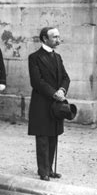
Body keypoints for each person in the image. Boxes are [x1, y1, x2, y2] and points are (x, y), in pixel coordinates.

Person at [28, 27, 70, 181]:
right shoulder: (35, 57)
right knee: (43, 138)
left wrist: (62, 90)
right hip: (42, 103)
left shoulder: (57, 57)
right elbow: (37, 81)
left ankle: (50, 168)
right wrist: (54, 93)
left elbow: (66, 77)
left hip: (56, 104)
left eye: (59, 36)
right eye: (55, 37)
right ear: (45, 39)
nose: (58, 40)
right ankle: (43, 171)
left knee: (53, 136)